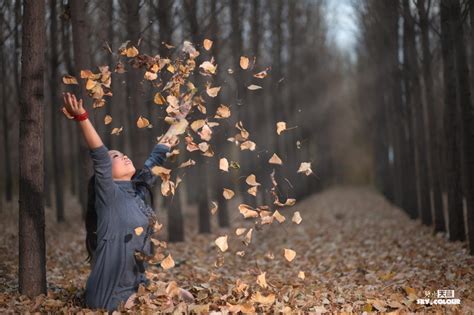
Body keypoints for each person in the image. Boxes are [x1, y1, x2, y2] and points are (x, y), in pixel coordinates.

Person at [61, 92, 194, 311]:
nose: (123, 156)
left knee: (185, 298)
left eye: (122, 153)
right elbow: (99, 154)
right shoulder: (108, 195)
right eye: (115, 156)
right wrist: (82, 117)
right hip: (110, 293)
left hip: (137, 286)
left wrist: (180, 118)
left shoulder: (139, 189)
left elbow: (160, 153)